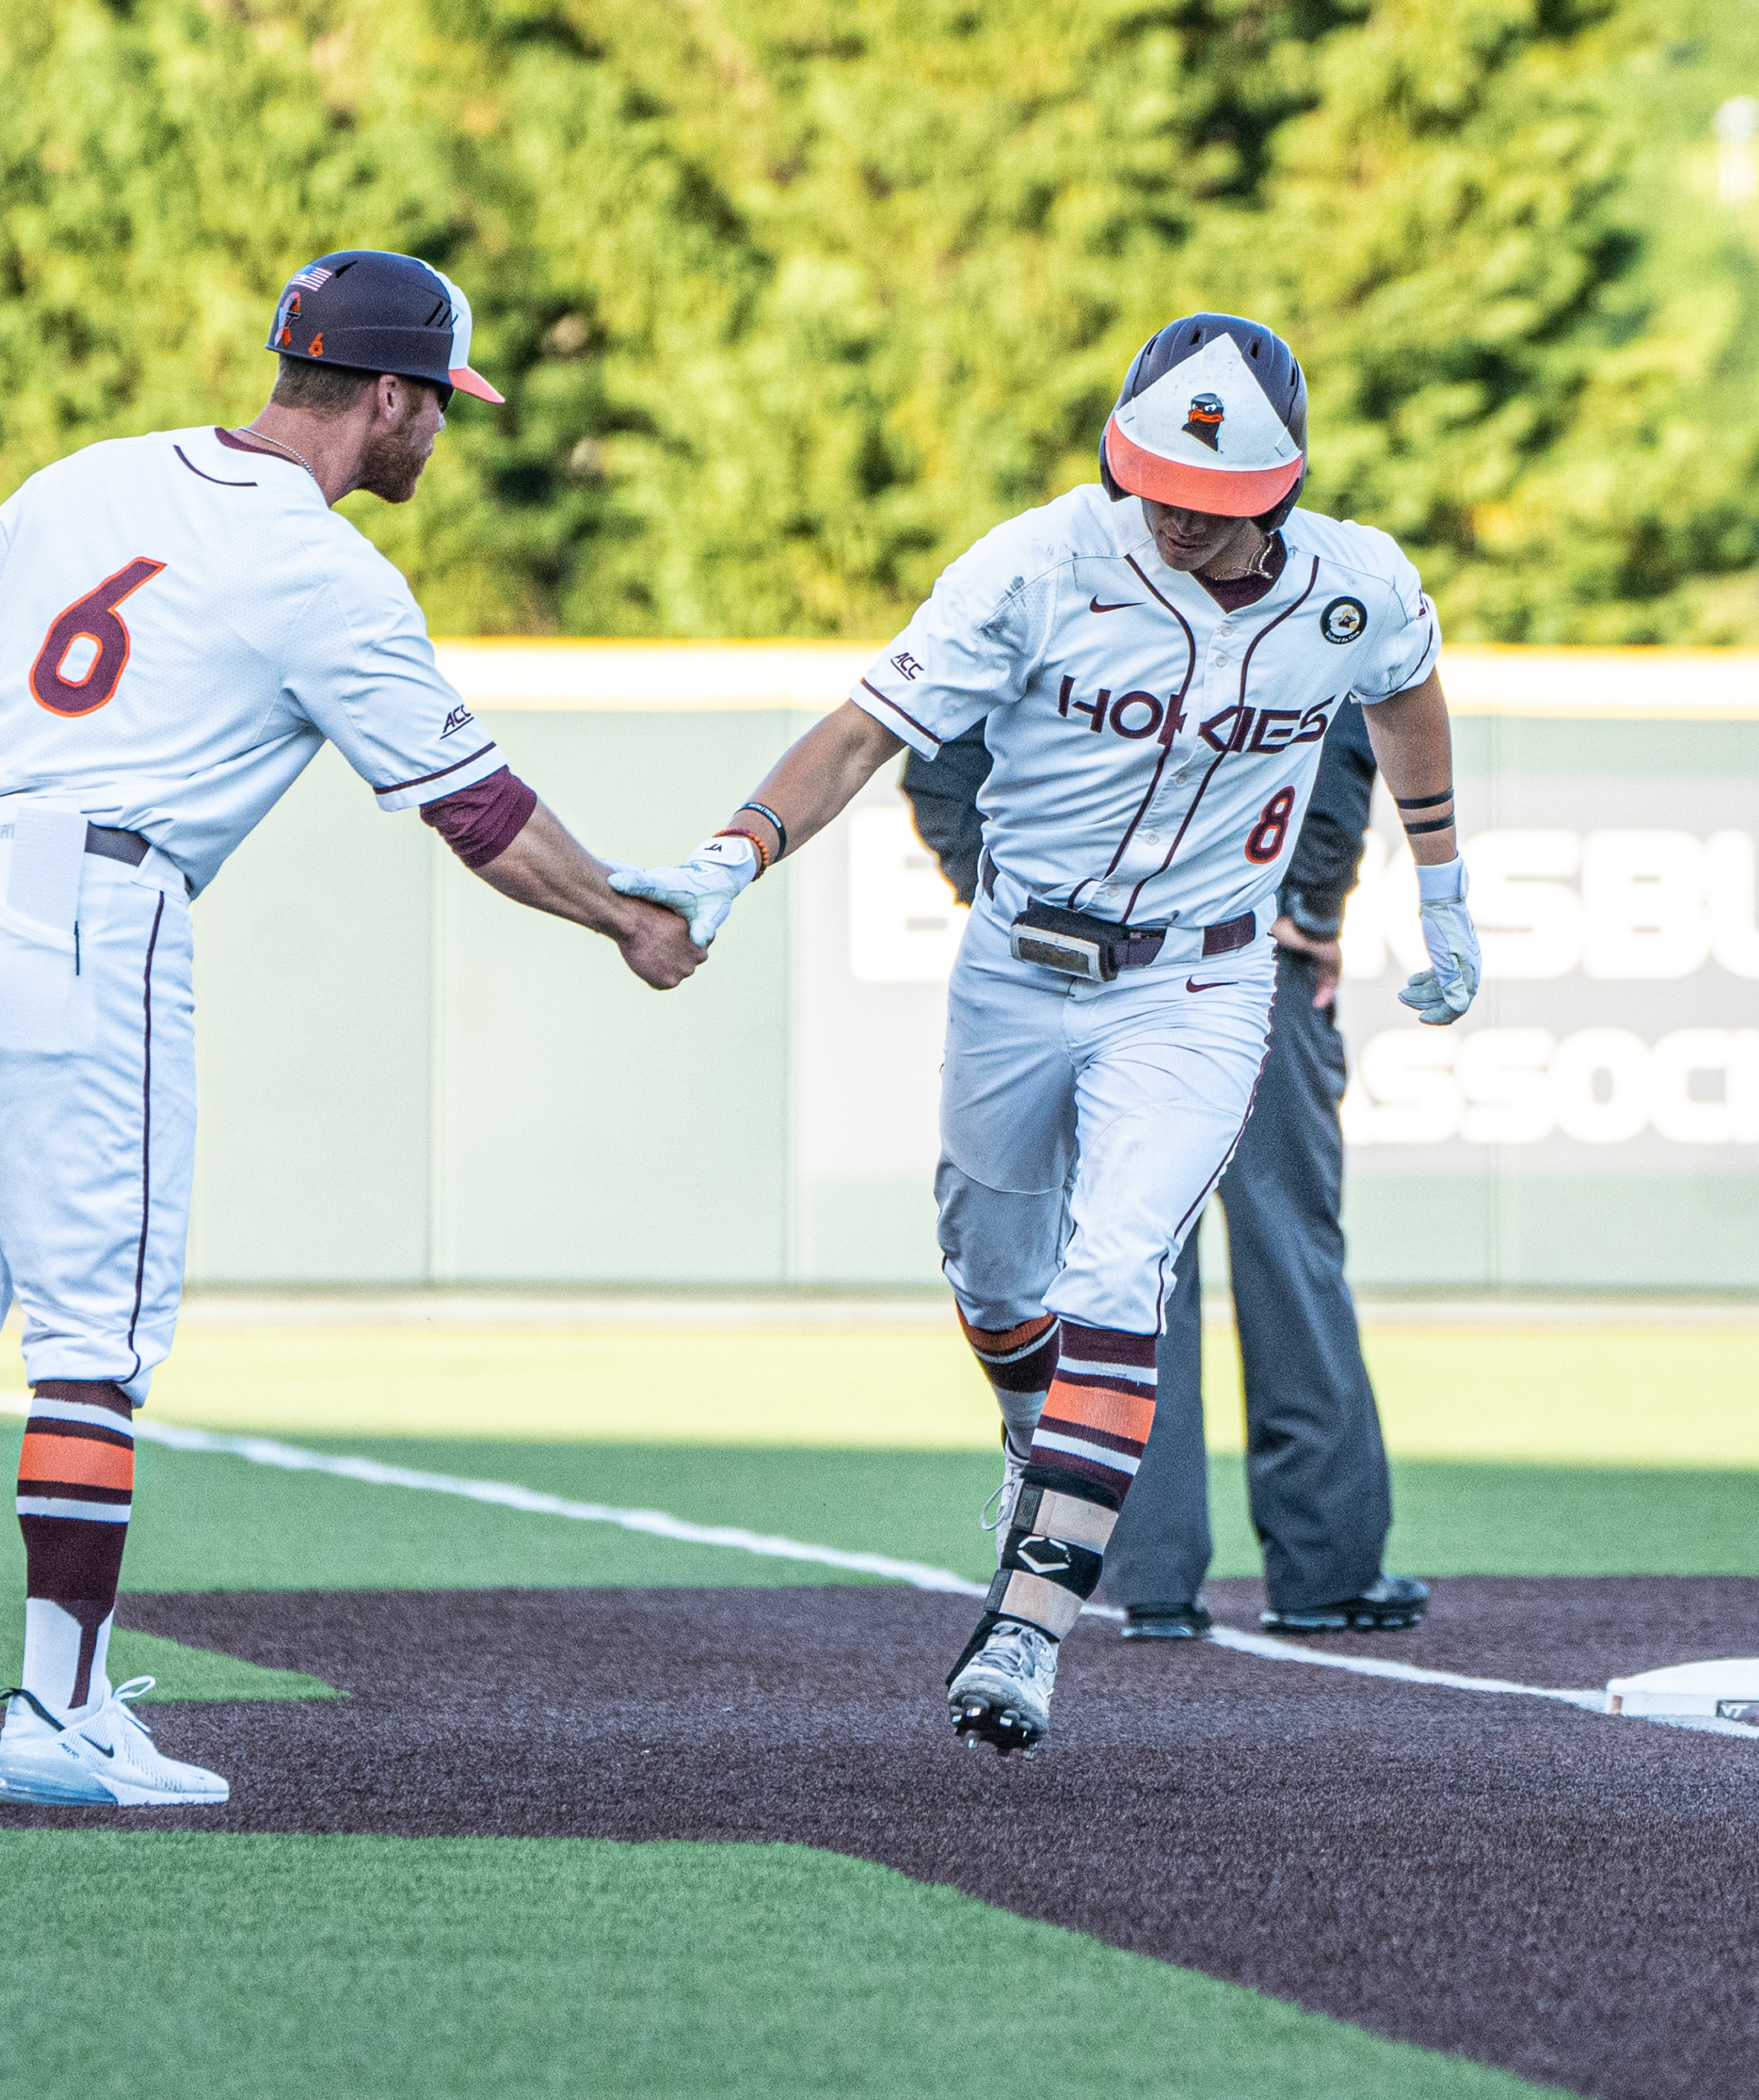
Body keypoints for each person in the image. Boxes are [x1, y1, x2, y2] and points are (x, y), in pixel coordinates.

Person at [0, 250, 702, 1807]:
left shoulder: (86, 479)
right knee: (93, 1346)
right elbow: (476, 811)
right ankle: (62, 1712)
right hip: (87, 911)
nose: (444, 430)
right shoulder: (324, 570)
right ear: (384, 396)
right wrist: (627, 917)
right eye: (440, 402)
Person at [613, 313, 1480, 1752]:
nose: (1181, 523)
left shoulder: (1356, 583)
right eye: (1160, 490)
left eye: (1217, 505)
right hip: (1018, 970)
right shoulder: (1032, 563)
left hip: (1203, 985)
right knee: (994, 1275)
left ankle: (1030, 1631)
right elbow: (861, 734)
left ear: (1281, 489)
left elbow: (1410, 697)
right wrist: (733, 853)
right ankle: (1039, 1445)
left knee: (1117, 1267)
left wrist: (1441, 889)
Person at [903, 705, 1428, 1641]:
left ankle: (1147, 1574)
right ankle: (1323, 1571)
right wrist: (1304, 903)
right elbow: (1343, 742)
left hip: (1099, 970)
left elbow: (941, 758)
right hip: (1229, 962)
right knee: (1279, 1257)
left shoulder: (1051, 575)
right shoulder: (1279, 577)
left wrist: (1026, 908)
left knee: (1129, 1261)